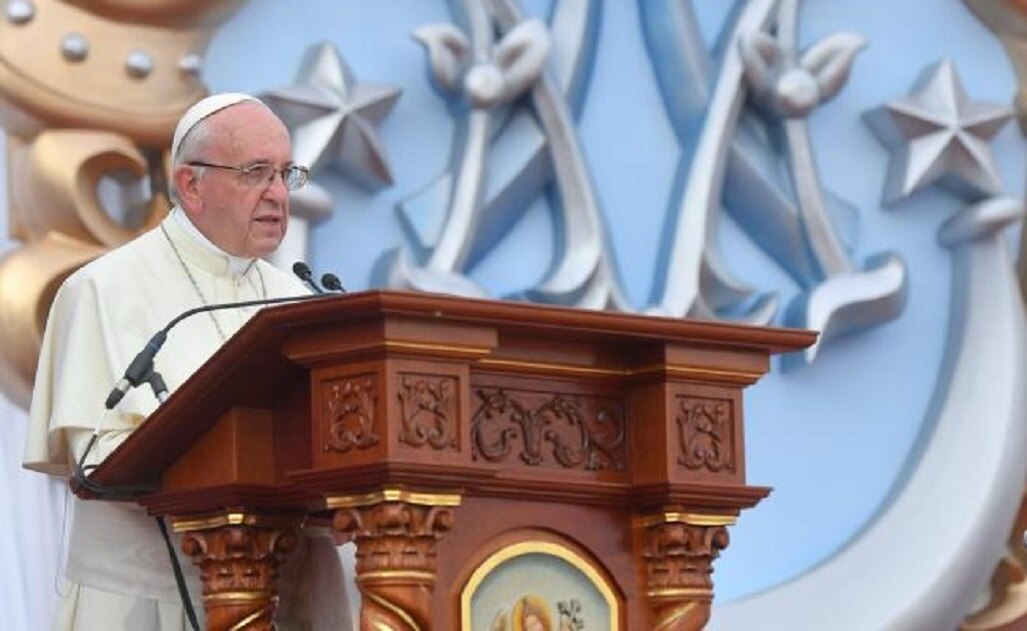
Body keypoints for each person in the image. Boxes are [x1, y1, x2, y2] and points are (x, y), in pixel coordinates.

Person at [23, 93, 352, 630]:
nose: (277, 195)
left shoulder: (297, 298)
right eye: (255, 173)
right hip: (146, 594)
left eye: (285, 174)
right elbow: (98, 461)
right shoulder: (103, 289)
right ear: (190, 185)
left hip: (290, 592)